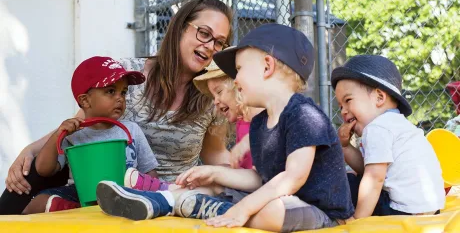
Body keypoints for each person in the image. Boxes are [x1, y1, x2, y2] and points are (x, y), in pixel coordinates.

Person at [95, 24, 355, 233]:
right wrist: (215, 174)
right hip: (284, 198)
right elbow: (258, 178)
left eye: (240, 69)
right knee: (215, 188)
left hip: (321, 211)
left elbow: (292, 178)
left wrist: (243, 209)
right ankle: (160, 201)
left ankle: (194, 204)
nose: (237, 79)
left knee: (268, 211)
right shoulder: (262, 123)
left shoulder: (304, 113)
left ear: (267, 66)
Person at [0, 0, 233, 215]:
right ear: (180, 26)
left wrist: (245, 179)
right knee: (29, 172)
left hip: (166, 195)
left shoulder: (212, 96)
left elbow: (216, 153)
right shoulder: (125, 75)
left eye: (220, 42)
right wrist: (31, 149)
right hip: (104, 183)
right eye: (204, 33)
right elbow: (83, 124)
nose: (211, 46)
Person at [22, 56, 163, 214]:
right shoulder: (74, 135)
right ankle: (79, 210)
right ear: (85, 101)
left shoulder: (131, 130)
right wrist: (58, 135)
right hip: (83, 193)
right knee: (37, 203)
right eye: (111, 91)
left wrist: (155, 195)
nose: (120, 98)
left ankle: (87, 212)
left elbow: (149, 172)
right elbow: (43, 170)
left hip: (125, 192)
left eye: (123, 92)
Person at [332, 55, 445, 219]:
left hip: (401, 210)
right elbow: (369, 169)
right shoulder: (397, 124)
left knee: (346, 182)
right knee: (359, 178)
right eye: (341, 105)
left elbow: (374, 178)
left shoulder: (377, 128)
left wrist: (358, 220)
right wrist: (345, 147)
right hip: (429, 208)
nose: (343, 110)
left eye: (348, 100)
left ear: (379, 97)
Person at [193, 59, 263, 169]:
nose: (215, 101)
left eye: (219, 92)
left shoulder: (260, 117)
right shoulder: (242, 121)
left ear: (238, 87)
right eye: (213, 96)